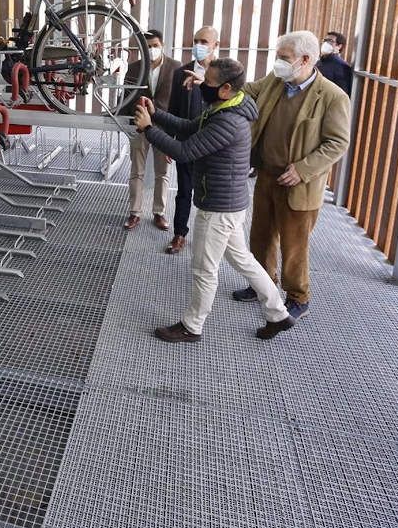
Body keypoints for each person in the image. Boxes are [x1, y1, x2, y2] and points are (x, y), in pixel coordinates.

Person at [134, 58, 295, 342]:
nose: (199, 87)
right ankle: (278, 313)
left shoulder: (228, 121)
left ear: (226, 88)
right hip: (229, 204)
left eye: (206, 83)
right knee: (244, 260)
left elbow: (184, 151)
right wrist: (156, 113)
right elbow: (187, 127)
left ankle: (192, 326)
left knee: (203, 269)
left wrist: (148, 129)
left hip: (219, 208)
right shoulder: (225, 107)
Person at [232, 31, 351, 321]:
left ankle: (298, 296)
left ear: (306, 60)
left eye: (284, 58)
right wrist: (218, 86)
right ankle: (263, 283)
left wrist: (303, 169)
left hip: (300, 184)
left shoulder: (333, 97)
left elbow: (337, 143)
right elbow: (247, 90)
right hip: (267, 174)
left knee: (294, 244)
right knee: (261, 235)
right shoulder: (276, 81)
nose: (278, 63)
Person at [164, 26, 219, 254]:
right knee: (184, 191)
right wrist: (168, 141)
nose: (199, 45)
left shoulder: (223, 73)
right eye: (196, 40)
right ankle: (179, 234)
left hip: (213, 147)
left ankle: (210, 241)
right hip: (186, 144)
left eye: (204, 41)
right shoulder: (181, 72)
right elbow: (173, 109)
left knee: (211, 196)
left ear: (216, 44)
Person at [122, 30, 182, 230]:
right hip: (139, 126)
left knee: (162, 172)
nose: (151, 50)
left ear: (162, 45)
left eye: (155, 45)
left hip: (163, 129)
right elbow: (126, 96)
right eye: (147, 46)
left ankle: (159, 212)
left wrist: (174, 134)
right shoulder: (133, 68)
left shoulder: (175, 67)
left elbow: (178, 103)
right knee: (136, 171)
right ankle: (134, 213)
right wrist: (125, 124)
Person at [317, 31, 354, 95]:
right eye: (325, 40)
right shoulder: (319, 61)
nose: (326, 43)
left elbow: (342, 93)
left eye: (330, 41)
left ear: (339, 46)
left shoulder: (342, 67)